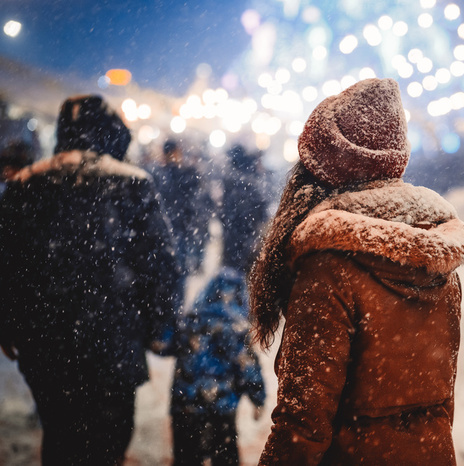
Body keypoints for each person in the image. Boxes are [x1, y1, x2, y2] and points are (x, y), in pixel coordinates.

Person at [248, 78, 464, 465]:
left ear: (323, 168)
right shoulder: (435, 258)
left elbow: (302, 423)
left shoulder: (329, 268)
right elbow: (440, 402)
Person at [0, 95, 181, 465]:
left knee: (59, 431)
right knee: (109, 438)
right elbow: (159, 264)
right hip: (113, 338)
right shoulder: (132, 184)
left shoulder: (25, 184)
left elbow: (8, 261)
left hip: (45, 339)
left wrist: (8, 321)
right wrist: (161, 324)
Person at [168, 267, 266, 466]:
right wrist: (258, 397)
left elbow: (169, 348)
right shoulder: (237, 329)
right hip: (221, 408)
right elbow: (247, 367)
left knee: (186, 457)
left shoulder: (191, 323)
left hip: (186, 406)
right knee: (224, 457)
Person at [151, 138, 209, 275]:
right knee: (179, 266)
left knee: (175, 265)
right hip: (180, 224)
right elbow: (194, 194)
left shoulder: (159, 173)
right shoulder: (182, 173)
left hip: (170, 224)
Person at [220, 144, 269, 274]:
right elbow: (260, 211)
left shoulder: (232, 180)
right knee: (242, 274)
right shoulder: (249, 184)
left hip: (235, 237)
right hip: (245, 237)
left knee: (232, 273)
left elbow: (226, 213)